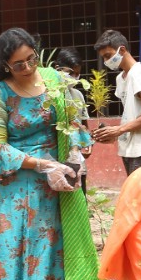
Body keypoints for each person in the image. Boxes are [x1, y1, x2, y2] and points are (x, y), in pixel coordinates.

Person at [0, 28, 110, 280]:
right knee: (26, 259)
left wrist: (76, 156)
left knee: (61, 259)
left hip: (60, 187)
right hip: (19, 194)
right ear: (5, 65)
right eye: (18, 64)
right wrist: (40, 164)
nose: (27, 68)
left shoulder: (55, 82)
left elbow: (74, 125)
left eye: (31, 59)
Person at [92, 29, 141, 175]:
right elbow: (131, 115)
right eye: (103, 58)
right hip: (128, 148)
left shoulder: (137, 73)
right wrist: (113, 133)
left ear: (122, 50)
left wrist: (119, 129)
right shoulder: (120, 78)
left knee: (140, 196)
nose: (106, 61)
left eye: (108, 55)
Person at [54, 48, 93, 194]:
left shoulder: (78, 95)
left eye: (77, 74)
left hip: (77, 159)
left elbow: (83, 124)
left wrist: (88, 143)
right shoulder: (52, 95)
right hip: (56, 159)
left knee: (79, 195)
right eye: (70, 73)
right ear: (57, 69)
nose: (74, 77)